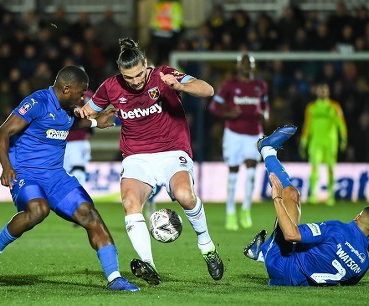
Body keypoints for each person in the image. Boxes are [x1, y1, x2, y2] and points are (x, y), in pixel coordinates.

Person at [0, 65, 139, 291]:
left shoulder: (67, 108)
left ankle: (114, 278)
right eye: (81, 92)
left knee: (90, 216)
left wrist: (96, 122)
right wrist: (6, 167)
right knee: (38, 210)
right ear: (66, 88)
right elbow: (2, 133)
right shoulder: (37, 103)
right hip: (26, 173)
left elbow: (72, 122)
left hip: (56, 177)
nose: (83, 97)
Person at [76, 38, 224, 285]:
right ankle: (149, 265)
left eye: (138, 75)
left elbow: (207, 90)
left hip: (171, 150)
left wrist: (180, 85)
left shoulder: (163, 75)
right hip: (136, 156)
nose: (134, 82)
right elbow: (87, 111)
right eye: (128, 77)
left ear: (145, 64)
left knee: (185, 195)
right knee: (130, 201)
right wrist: (86, 114)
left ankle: (206, 245)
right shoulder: (111, 87)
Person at [244, 125, 369, 286]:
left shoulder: (337, 230)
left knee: (291, 195)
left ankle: (267, 150)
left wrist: (277, 198)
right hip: (302, 283)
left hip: (281, 266)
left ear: (358, 216)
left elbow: (291, 235)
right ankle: (262, 251)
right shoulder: (364, 264)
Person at [209, 53, 269, 230]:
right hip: (233, 134)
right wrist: (228, 114)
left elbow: (266, 107)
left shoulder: (260, 86)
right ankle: (230, 213)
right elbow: (214, 106)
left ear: (253, 66)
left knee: (251, 173)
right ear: (238, 66)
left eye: (248, 63)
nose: (245, 66)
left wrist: (264, 114)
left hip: (254, 133)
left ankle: (246, 210)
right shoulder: (230, 85)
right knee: (233, 172)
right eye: (242, 63)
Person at [300, 83, 348, 205]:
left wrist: (344, 138)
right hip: (315, 142)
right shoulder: (311, 107)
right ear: (316, 92)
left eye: (325, 90)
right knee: (314, 167)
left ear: (328, 92)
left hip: (331, 142)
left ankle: (331, 196)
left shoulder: (334, 106)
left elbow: (341, 123)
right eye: (320, 90)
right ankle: (313, 195)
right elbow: (307, 125)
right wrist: (304, 141)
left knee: (330, 168)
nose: (323, 92)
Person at [64, 89, 94, 186]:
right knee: (64, 173)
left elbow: (92, 115)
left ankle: (79, 198)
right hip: (62, 141)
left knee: (78, 171)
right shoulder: (63, 93)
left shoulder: (87, 95)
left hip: (78, 140)